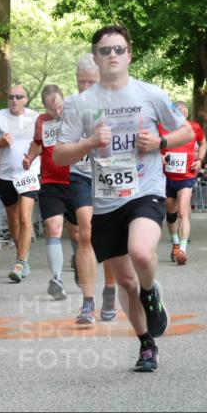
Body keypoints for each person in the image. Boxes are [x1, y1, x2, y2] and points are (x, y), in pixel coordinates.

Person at [56, 25, 195, 372]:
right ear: (96, 57)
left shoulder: (150, 94)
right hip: (106, 199)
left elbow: (186, 132)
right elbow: (59, 155)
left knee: (141, 252)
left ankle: (151, 293)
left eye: (119, 49)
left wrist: (160, 143)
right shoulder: (80, 104)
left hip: (145, 190)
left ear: (129, 55)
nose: (112, 55)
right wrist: (89, 143)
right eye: (105, 50)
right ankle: (147, 345)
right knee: (126, 282)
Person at [61, 54, 117, 324]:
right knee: (86, 232)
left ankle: (110, 291)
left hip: (108, 173)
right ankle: (87, 302)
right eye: (80, 82)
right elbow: (62, 146)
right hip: (80, 173)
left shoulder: (116, 103)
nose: (85, 88)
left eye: (90, 83)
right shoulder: (70, 104)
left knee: (108, 234)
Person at [0, 84, 40, 282]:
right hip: (6, 175)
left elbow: (41, 144)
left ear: (26, 99)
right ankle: (22, 256)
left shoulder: (35, 118)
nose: (14, 100)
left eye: (19, 97)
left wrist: (30, 158)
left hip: (28, 174)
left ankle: (20, 263)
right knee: (13, 219)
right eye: (11, 97)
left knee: (25, 217)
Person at [22, 84, 74, 300]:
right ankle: (57, 279)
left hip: (76, 180)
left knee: (79, 233)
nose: (57, 112)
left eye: (60, 107)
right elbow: (38, 144)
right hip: (51, 181)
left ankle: (80, 263)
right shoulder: (42, 121)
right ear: (44, 107)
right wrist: (29, 158)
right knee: (53, 227)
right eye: (52, 110)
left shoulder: (76, 115)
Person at [161, 101, 206, 265]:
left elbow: (203, 142)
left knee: (182, 213)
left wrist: (200, 159)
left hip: (186, 177)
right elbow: (152, 146)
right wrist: (159, 156)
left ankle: (182, 250)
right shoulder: (161, 127)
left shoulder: (194, 127)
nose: (181, 120)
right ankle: (175, 242)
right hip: (166, 177)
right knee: (171, 214)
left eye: (184, 116)